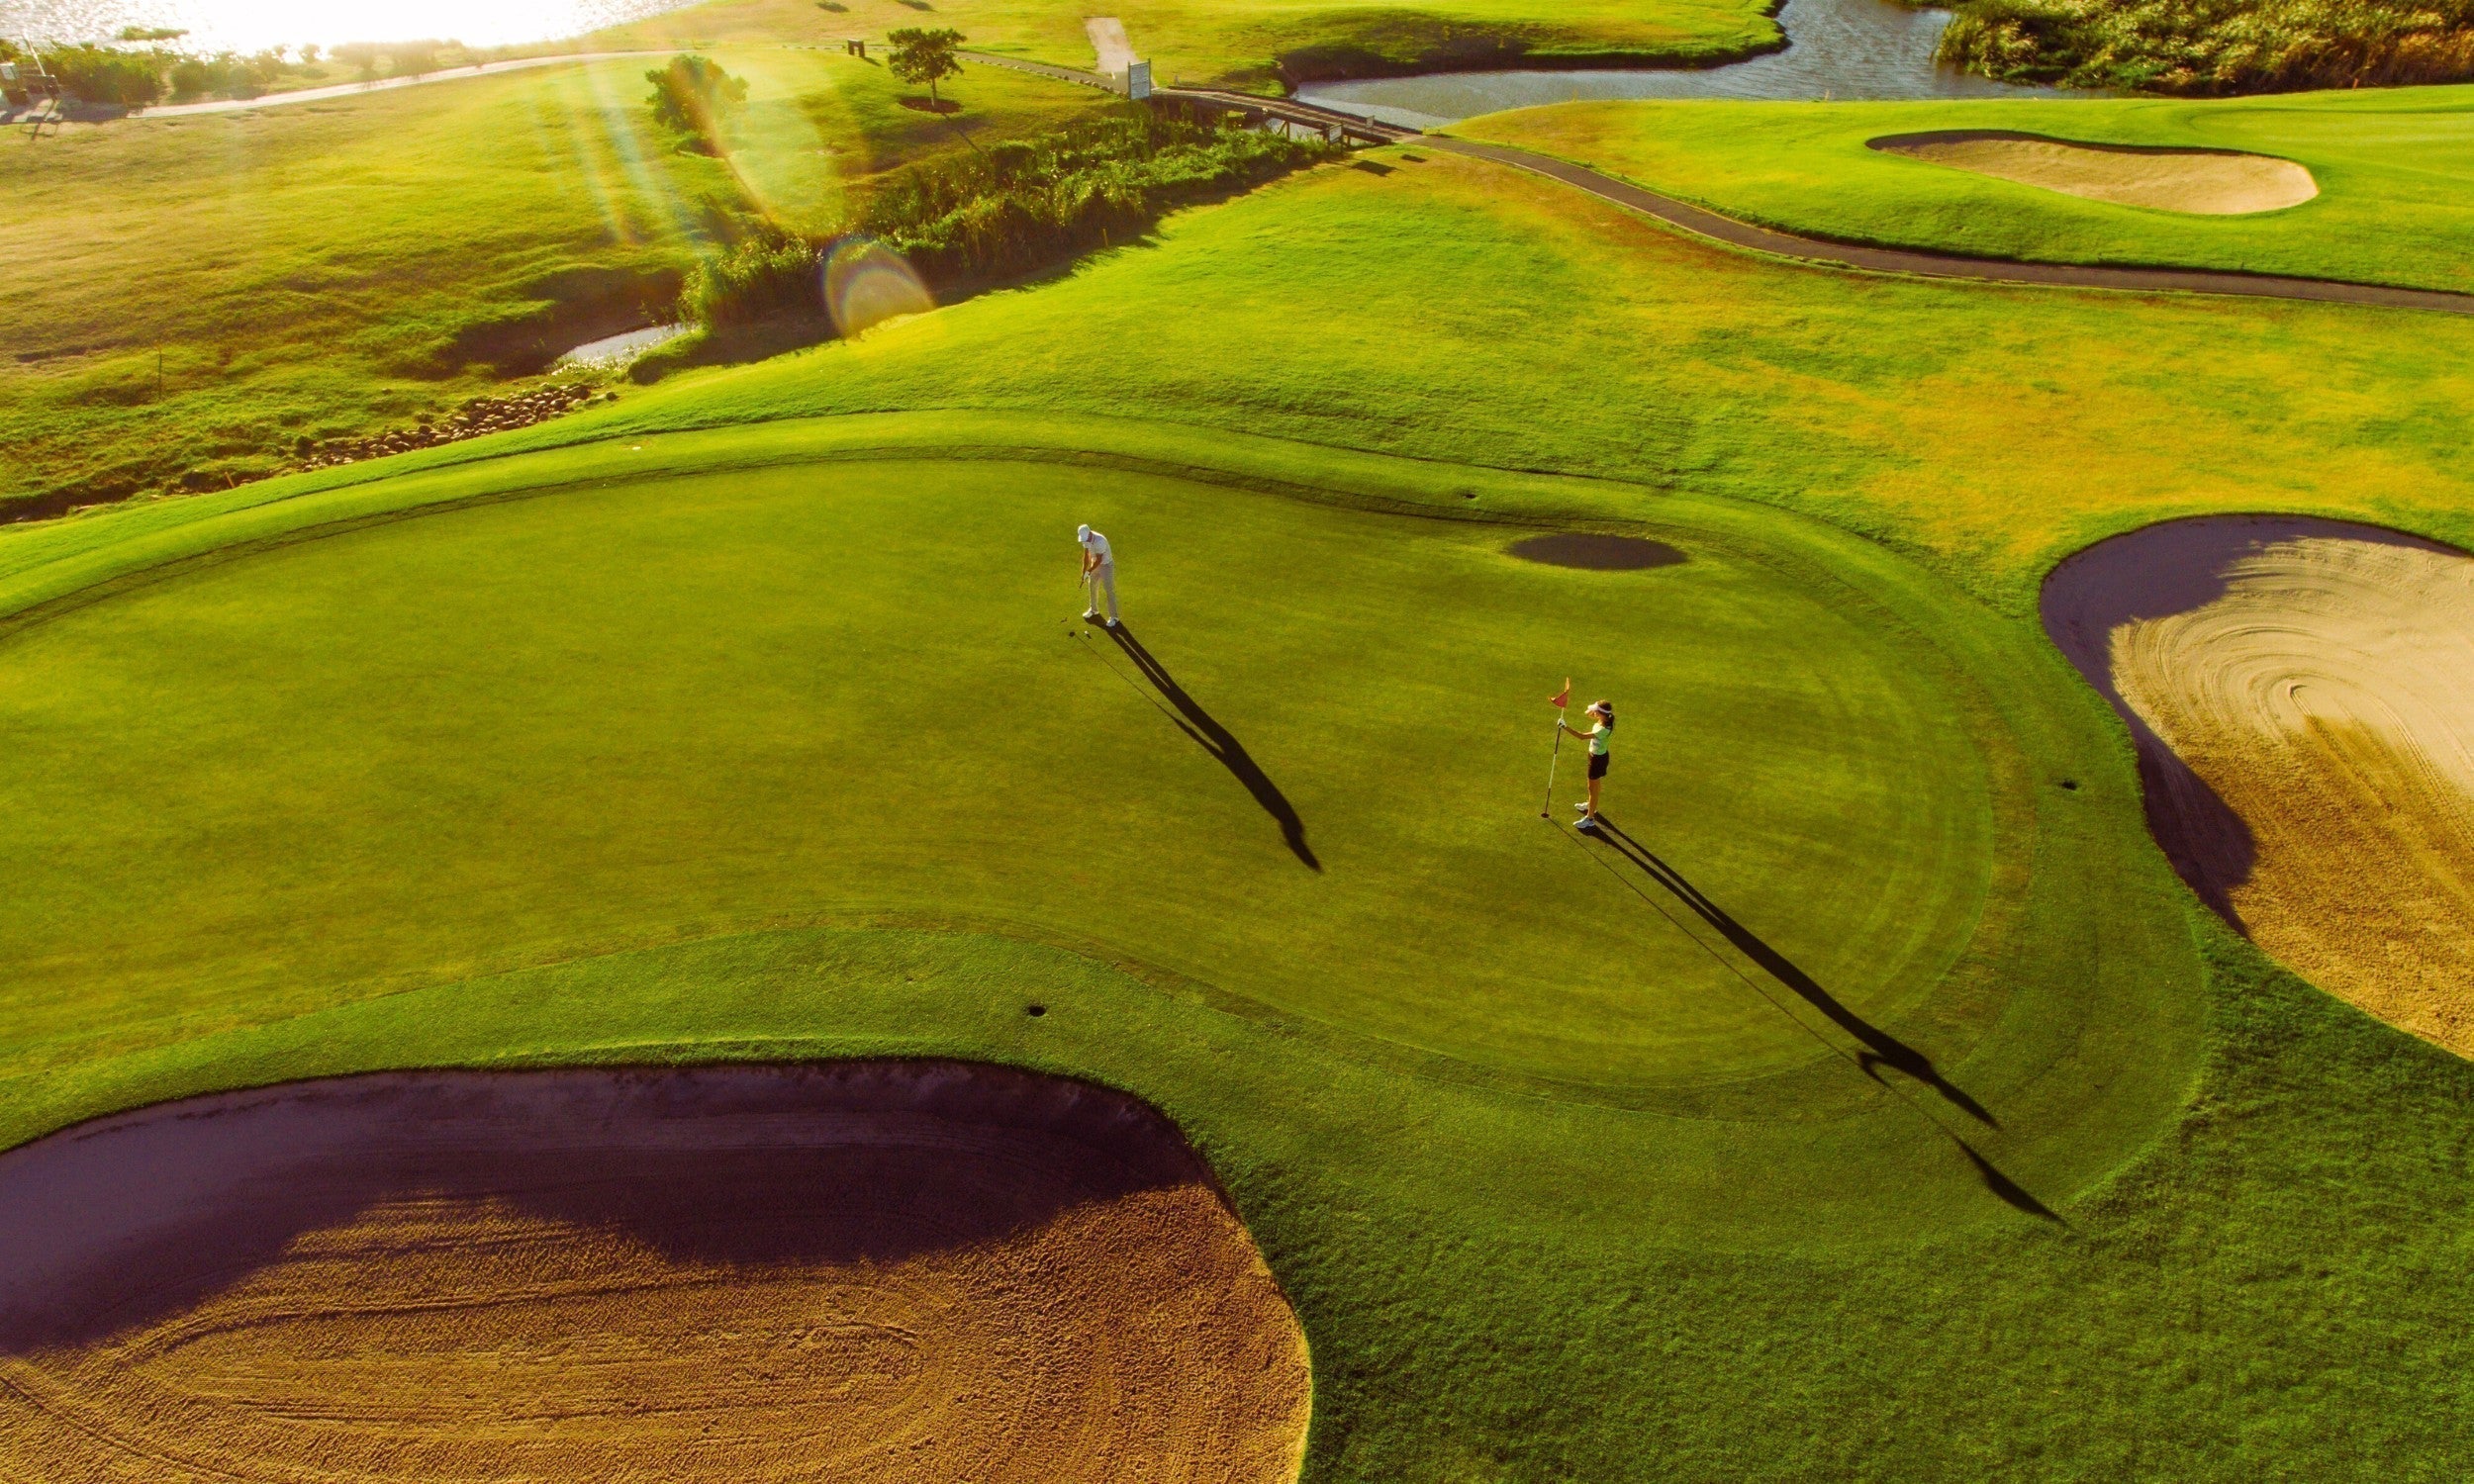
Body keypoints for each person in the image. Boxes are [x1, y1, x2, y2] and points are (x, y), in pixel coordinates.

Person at [1560, 699, 1614, 830]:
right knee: (1593, 786)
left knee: (1592, 788)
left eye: (1596, 711)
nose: (1593, 713)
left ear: (1602, 714)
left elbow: (1581, 736)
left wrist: (1564, 726)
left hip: (1598, 759)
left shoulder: (1603, 729)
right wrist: (1593, 709)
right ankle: (1591, 804)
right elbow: (1588, 713)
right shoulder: (1602, 720)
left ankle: (1590, 819)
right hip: (1595, 756)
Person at [1078, 523, 1120, 628]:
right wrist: (1083, 572)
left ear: (1089, 533)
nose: (1084, 540)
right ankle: (1094, 610)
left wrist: (1089, 571)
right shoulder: (1086, 539)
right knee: (1092, 586)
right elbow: (1086, 556)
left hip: (1106, 566)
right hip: (1095, 564)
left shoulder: (1099, 541)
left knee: (1109, 591)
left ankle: (1114, 617)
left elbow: (1099, 560)